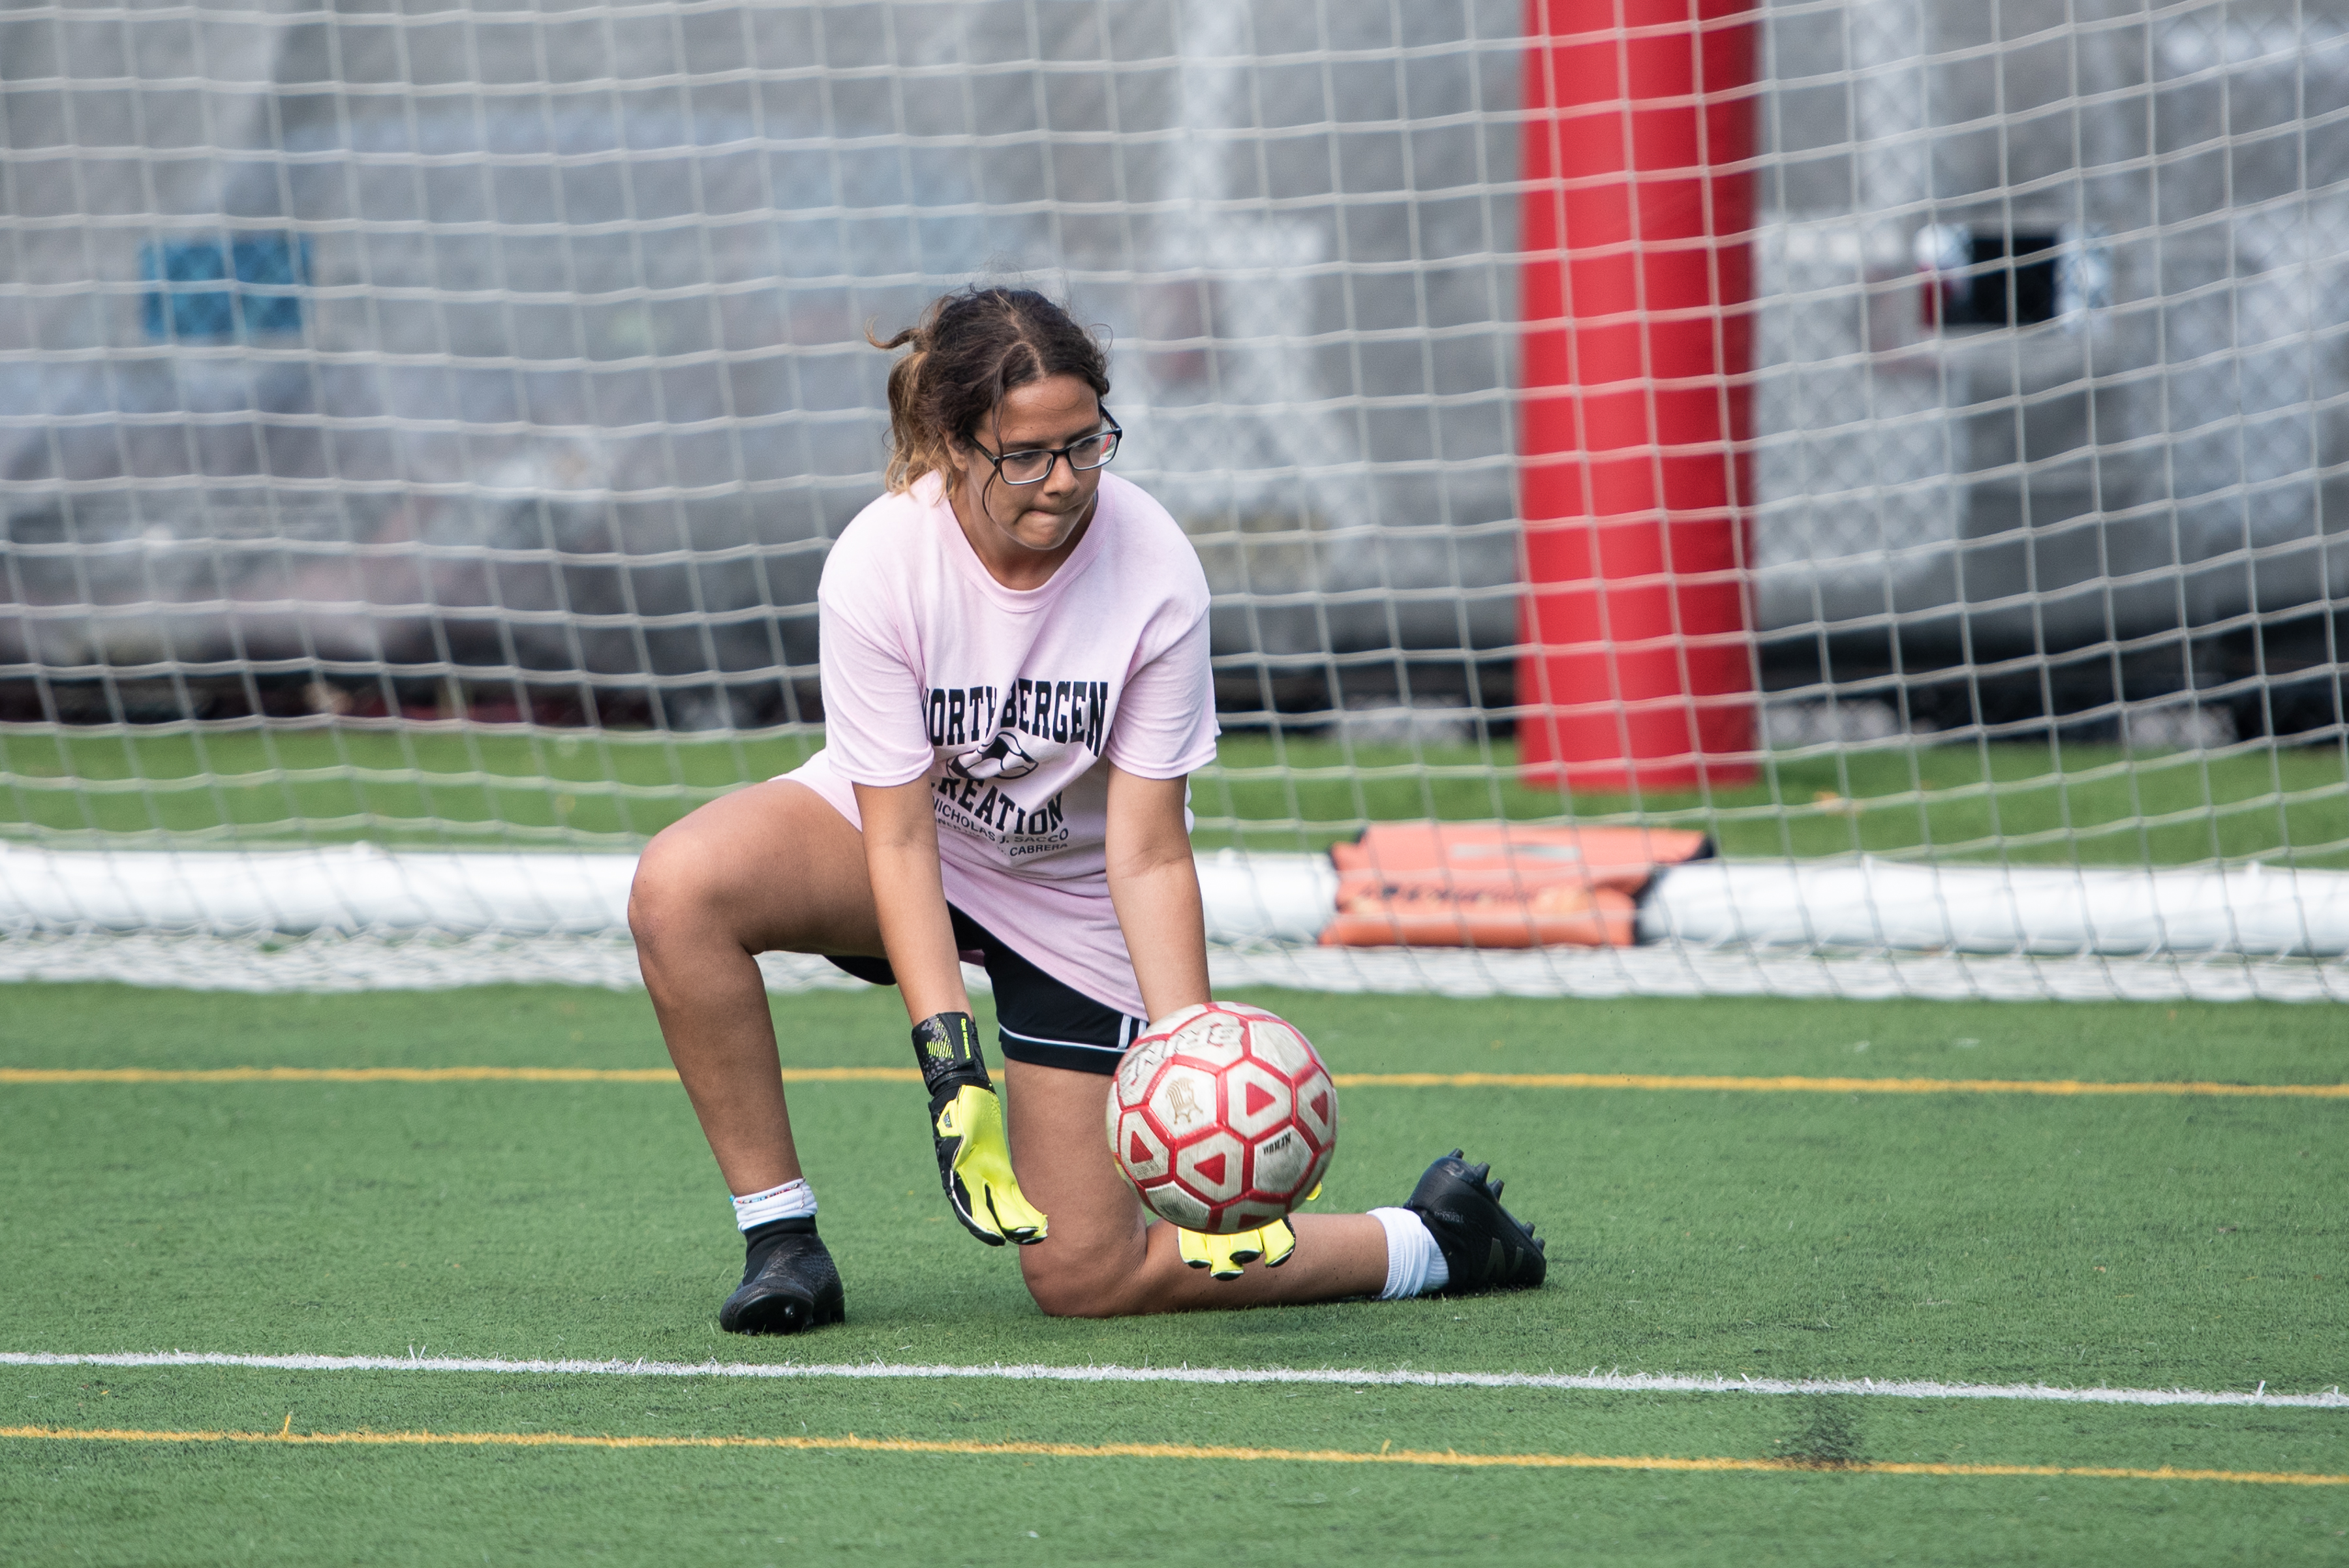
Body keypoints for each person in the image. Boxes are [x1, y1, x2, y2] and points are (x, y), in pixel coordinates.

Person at [626, 285, 1545, 1333]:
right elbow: (898, 834)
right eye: (1026, 455)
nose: (1063, 483)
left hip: (1073, 892)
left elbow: (1148, 854)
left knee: (1084, 1281)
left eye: (1085, 445)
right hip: (911, 837)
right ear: (948, 443)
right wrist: (952, 1073)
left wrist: (1189, 1063)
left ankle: (1435, 1242)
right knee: (679, 887)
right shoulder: (880, 564)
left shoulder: (1154, 571)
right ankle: (783, 1240)